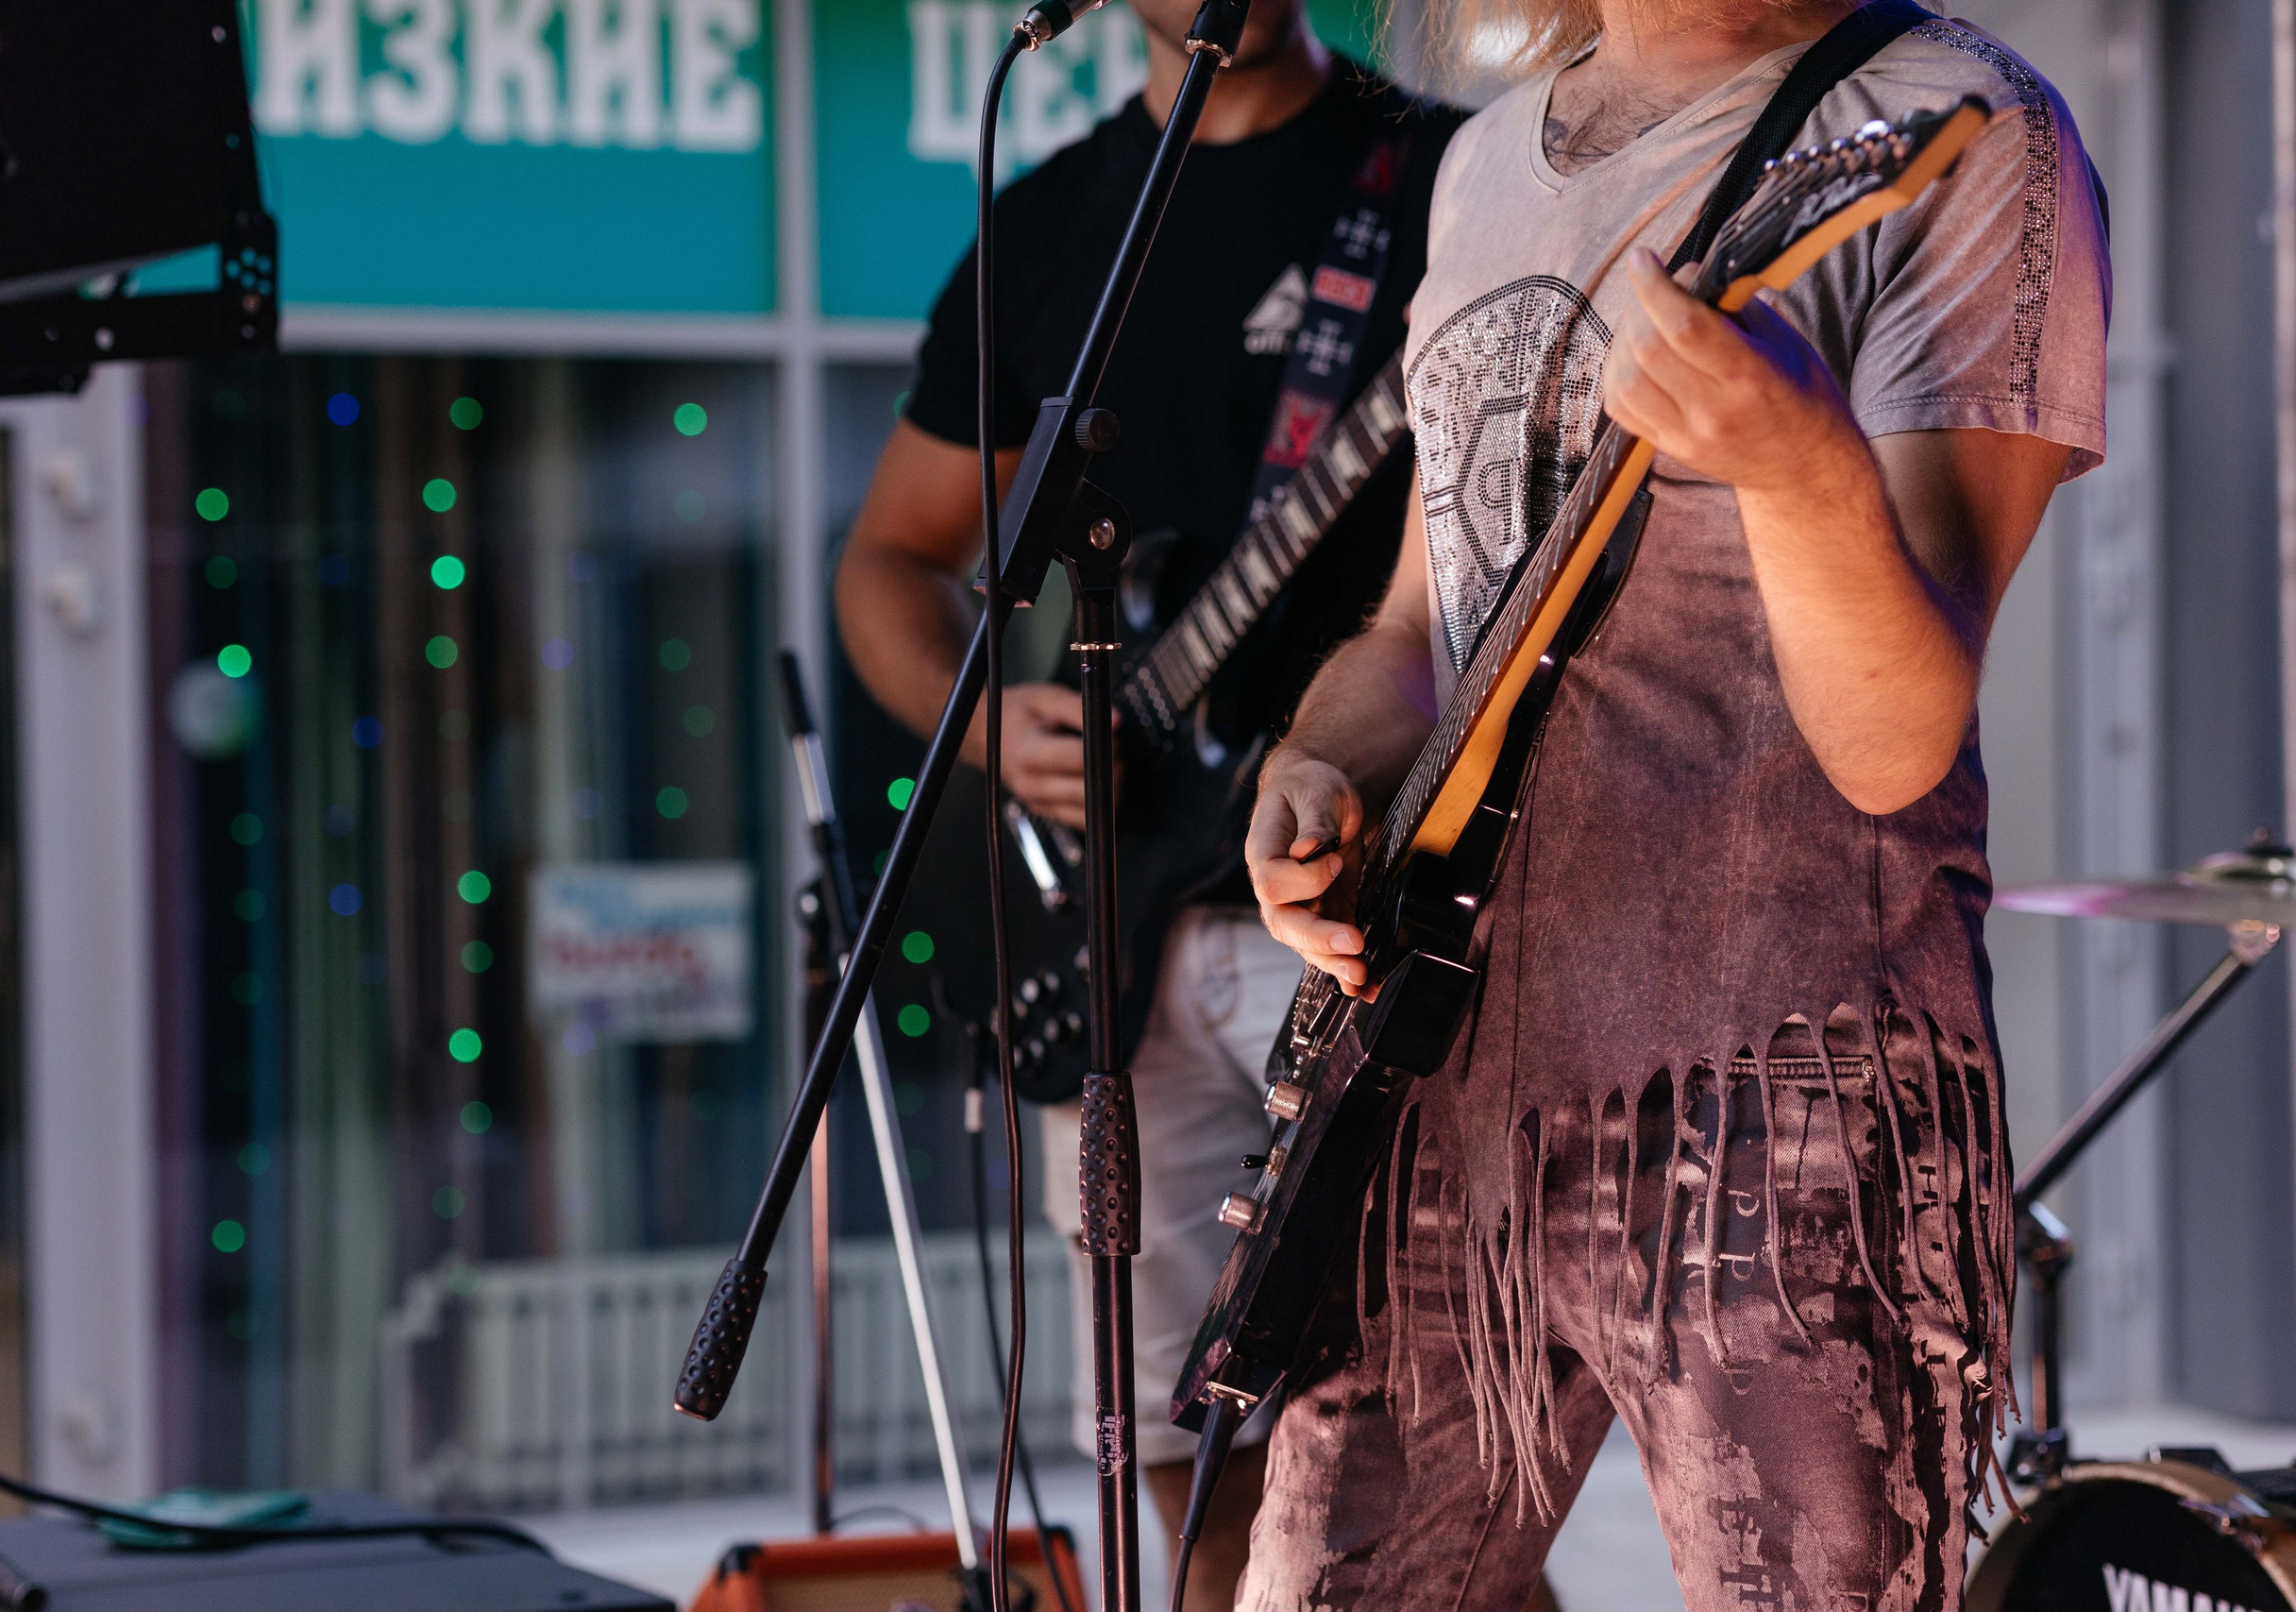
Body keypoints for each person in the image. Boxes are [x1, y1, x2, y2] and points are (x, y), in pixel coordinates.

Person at [1238, 0, 2109, 1606]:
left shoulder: (1965, 124)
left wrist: (1799, 471)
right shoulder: (1487, 158)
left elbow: (1900, 736)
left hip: (1787, 1108)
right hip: (1436, 1082)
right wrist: (1321, 775)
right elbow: (1418, 632)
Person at [834, 5, 1460, 1606]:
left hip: (1355, 898)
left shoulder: (1441, 179)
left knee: (1418, 1444)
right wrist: (982, 718)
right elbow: (889, 561)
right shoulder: (1050, 226)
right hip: (1104, 920)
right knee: (1165, 1451)